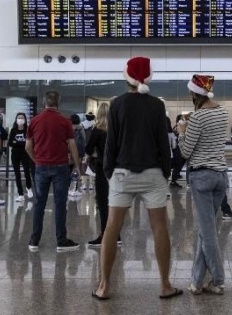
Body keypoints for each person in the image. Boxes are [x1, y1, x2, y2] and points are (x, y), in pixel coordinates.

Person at [94, 56, 181, 300]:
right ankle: (165, 285)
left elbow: (111, 144)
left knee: (112, 227)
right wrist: (165, 172)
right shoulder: (156, 105)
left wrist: (109, 172)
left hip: (122, 173)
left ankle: (104, 286)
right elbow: (163, 143)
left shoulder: (117, 104)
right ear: (148, 77)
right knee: (159, 226)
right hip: (152, 173)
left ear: (127, 77)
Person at [176, 74, 229, 296]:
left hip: (202, 176)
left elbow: (186, 151)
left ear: (194, 93)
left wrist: (181, 133)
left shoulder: (197, 117)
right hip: (221, 175)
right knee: (205, 230)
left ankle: (218, 280)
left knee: (208, 233)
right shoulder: (223, 112)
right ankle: (197, 282)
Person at [26, 91, 80, 252]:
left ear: (44, 102)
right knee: (60, 204)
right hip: (61, 167)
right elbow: (72, 145)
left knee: (39, 204)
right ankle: (61, 241)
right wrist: (77, 165)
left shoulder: (34, 121)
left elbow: (28, 146)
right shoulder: (65, 121)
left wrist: (36, 159)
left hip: (41, 166)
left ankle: (34, 241)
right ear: (58, 103)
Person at [86, 102, 120, 247]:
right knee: (115, 202)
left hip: (102, 168)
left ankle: (105, 234)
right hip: (117, 169)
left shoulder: (97, 130)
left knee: (103, 203)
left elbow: (88, 149)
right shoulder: (117, 129)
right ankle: (116, 235)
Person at [8, 113, 35, 203]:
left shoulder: (27, 130)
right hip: (15, 154)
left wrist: (16, 143)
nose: (20, 119)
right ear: (16, 119)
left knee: (27, 171)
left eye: (22, 118)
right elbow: (10, 143)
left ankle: (29, 187)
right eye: (19, 118)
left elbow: (30, 142)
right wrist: (22, 143)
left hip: (25, 154)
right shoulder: (13, 130)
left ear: (25, 119)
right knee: (17, 174)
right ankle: (20, 194)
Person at [169, 115, 186, 188]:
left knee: (176, 164)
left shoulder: (175, 127)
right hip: (177, 150)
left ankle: (173, 179)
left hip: (175, 149)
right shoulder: (178, 127)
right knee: (177, 164)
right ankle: (173, 180)